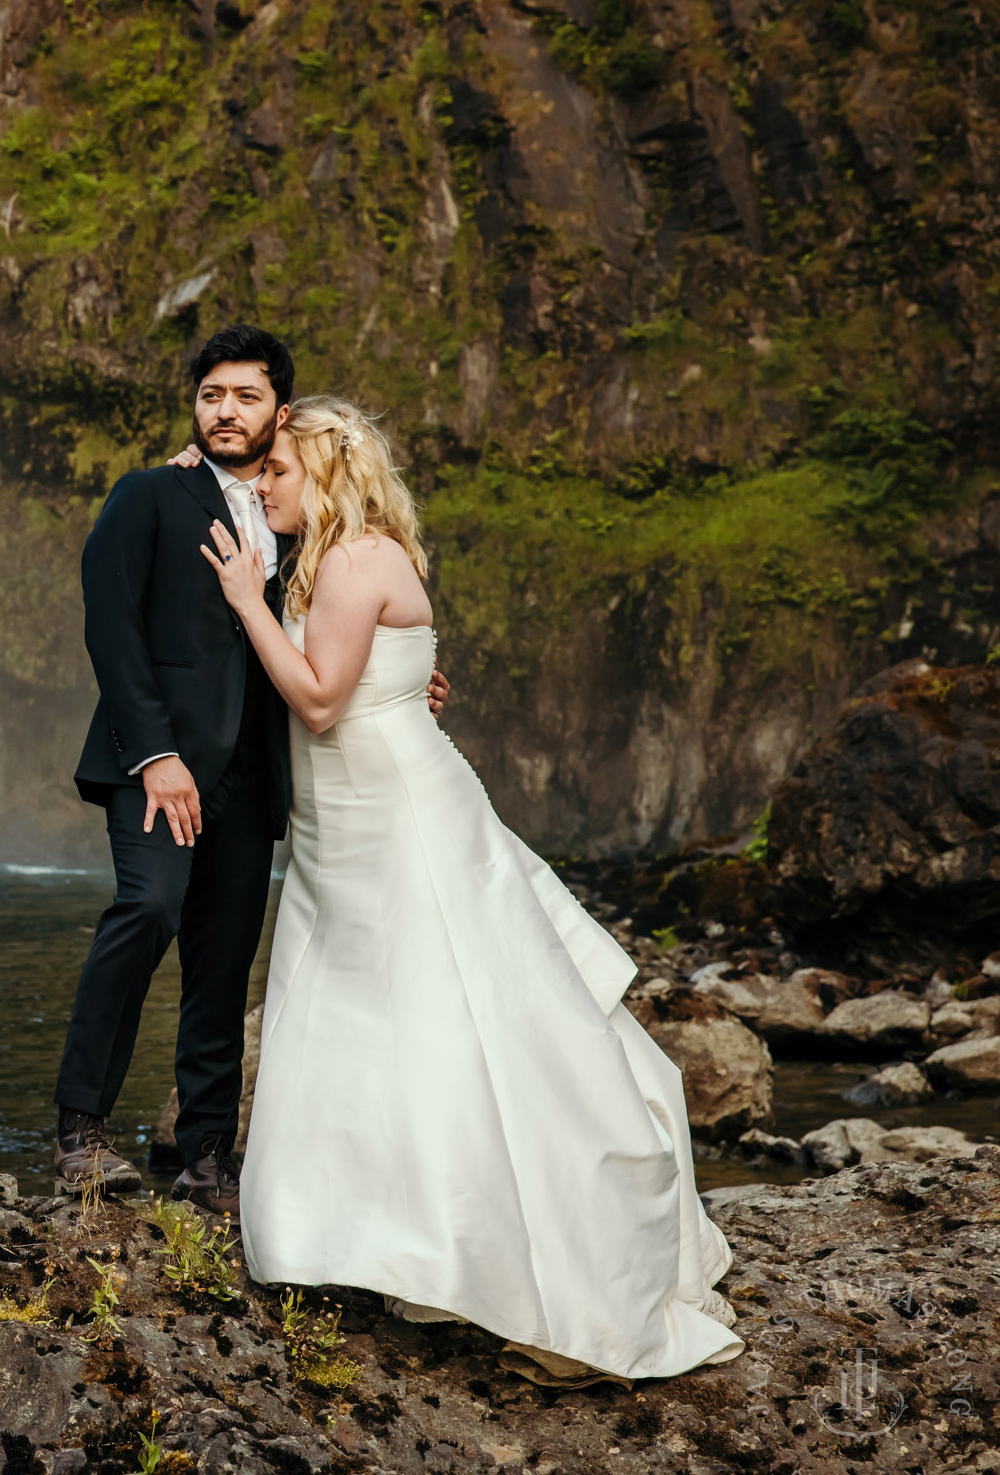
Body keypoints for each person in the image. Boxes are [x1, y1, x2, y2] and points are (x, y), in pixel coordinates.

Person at [199, 395, 742, 1384]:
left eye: (278, 468)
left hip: (396, 816)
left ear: (324, 473)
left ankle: (509, 1258)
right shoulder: (331, 557)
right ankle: (385, 1233)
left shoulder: (355, 558)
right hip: (343, 825)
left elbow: (320, 701)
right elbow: (364, 676)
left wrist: (244, 601)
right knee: (367, 1016)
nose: (262, 482)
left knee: (450, 1016)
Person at [53, 326, 444, 1211]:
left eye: (245, 397)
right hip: (154, 765)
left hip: (256, 776)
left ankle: (206, 1159)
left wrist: (405, 677)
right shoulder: (148, 496)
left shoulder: (300, 518)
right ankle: (79, 1128)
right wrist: (155, 754)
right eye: (210, 396)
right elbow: (112, 630)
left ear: (282, 413)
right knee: (146, 908)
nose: (225, 410)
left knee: (224, 965)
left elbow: (332, 636)